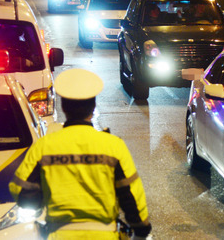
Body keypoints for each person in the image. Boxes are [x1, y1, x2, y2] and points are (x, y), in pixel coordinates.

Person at [9, 68, 152, 240]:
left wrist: (41, 206)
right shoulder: (113, 146)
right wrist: (141, 229)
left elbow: (22, 191)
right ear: (93, 107)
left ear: (63, 107)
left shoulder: (44, 147)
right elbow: (131, 194)